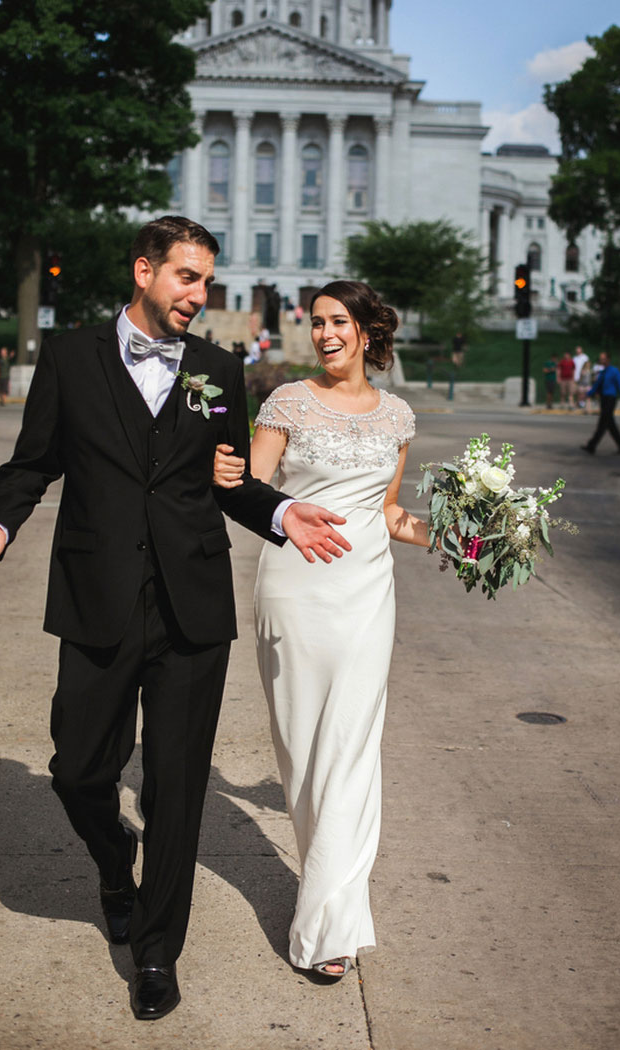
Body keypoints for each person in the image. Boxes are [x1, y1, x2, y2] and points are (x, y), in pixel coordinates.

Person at [0, 216, 351, 1021]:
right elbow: (33, 461)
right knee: (78, 771)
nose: (199, 296)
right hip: (96, 599)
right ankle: (113, 864)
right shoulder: (70, 357)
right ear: (144, 271)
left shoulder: (219, 367)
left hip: (191, 608)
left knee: (176, 790)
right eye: (187, 278)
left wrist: (281, 515)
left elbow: (231, 479)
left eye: (206, 281)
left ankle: (156, 951)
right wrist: (1, 521)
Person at [213, 280, 432, 980]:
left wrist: (470, 541)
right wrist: (223, 470)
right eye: (317, 322)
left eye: (339, 321)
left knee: (351, 752)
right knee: (307, 754)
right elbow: (247, 492)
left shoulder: (397, 415)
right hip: (296, 593)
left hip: (368, 597)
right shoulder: (287, 403)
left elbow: (392, 514)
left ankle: (328, 925)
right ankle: (324, 891)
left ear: (368, 331)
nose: (326, 333)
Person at [581, 350, 620, 454]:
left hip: (610, 399)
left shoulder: (614, 371)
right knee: (610, 424)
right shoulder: (602, 373)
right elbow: (596, 386)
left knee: (603, 423)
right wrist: (587, 395)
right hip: (604, 399)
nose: (601, 360)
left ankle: (592, 445)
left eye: (603, 358)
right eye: (600, 358)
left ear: (608, 359)